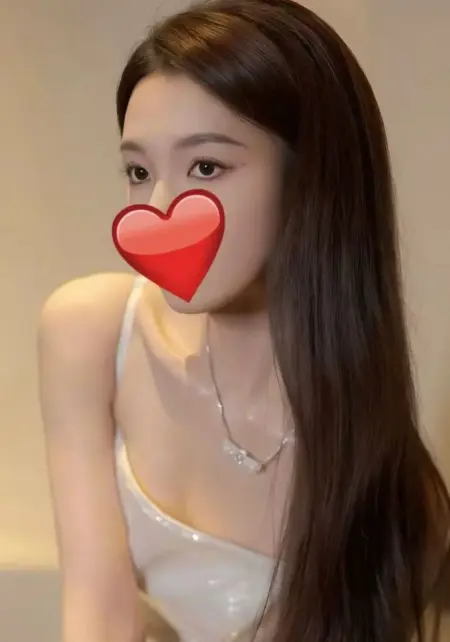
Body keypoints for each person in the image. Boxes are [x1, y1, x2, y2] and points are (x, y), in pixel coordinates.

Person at [37, 1, 450, 641]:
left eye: (206, 167)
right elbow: (97, 615)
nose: (157, 209)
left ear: (311, 178)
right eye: (139, 171)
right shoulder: (88, 332)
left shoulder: (394, 489)